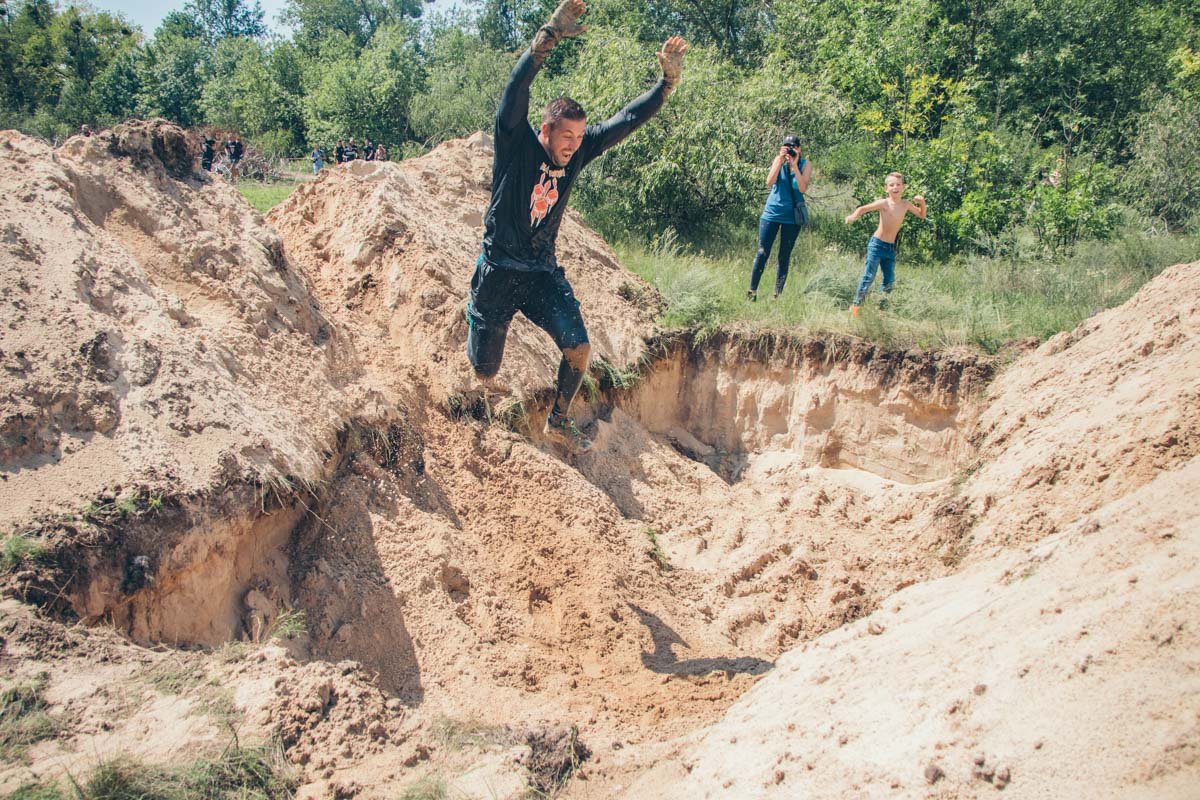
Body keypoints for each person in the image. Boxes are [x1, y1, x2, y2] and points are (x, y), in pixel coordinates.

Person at [467, 0, 688, 454]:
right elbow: (515, 93)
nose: (572, 146)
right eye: (565, 137)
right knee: (485, 370)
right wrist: (548, 37)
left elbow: (625, 121)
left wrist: (665, 85)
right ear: (545, 131)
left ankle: (559, 420)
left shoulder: (581, 151)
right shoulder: (517, 145)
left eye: (578, 138)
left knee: (578, 347)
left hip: (540, 272)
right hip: (498, 270)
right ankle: (477, 333)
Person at [844, 172, 927, 317]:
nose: (895, 187)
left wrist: (922, 203)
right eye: (892, 185)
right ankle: (856, 306)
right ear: (886, 188)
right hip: (877, 245)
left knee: (889, 280)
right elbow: (863, 209)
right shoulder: (884, 203)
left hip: (890, 248)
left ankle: (882, 309)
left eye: (898, 184)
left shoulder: (905, 204)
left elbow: (922, 215)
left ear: (904, 187)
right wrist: (852, 216)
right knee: (869, 276)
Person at [747, 133, 811, 301]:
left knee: (784, 255)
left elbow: (803, 188)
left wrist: (795, 166)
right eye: (788, 146)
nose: (791, 150)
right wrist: (781, 160)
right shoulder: (779, 160)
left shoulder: (805, 164)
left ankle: (777, 295)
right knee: (762, 252)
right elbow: (769, 182)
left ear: (799, 149)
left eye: (794, 147)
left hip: (792, 217)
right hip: (772, 212)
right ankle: (752, 291)